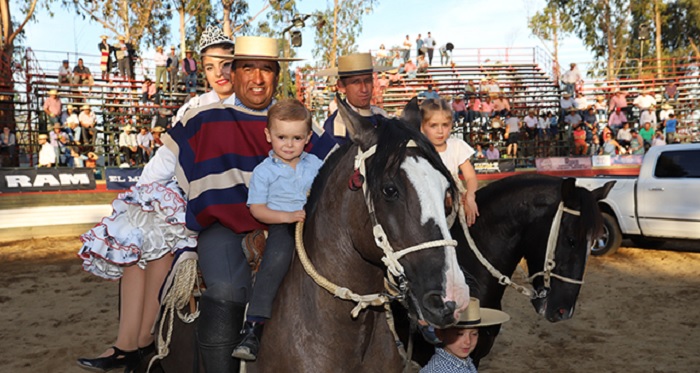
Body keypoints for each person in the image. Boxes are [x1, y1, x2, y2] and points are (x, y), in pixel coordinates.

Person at [231, 99, 323, 361]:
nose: (289, 144)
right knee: (276, 260)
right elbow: (257, 209)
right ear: (268, 135)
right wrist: (287, 216)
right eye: (281, 137)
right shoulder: (264, 172)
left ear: (307, 138)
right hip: (283, 226)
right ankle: (253, 326)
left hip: (313, 225)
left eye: (296, 137)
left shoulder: (316, 165)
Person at [420, 98, 479, 226]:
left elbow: (470, 177)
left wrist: (470, 196)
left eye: (445, 125)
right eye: (433, 125)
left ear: (451, 125)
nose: (440, 131)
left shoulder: (456, 146)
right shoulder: (420, 151)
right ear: (422, 127)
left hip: (456, 203)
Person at [420, 297, 510, 373]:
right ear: (439, 333)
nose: (468, 341)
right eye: (459, 334)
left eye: (474, 334)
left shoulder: (460, 361)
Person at [318, 53, 389, 147]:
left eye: (367, 81)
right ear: (341, 86)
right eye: (356, 82)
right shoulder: (337, 126)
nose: (364, 89)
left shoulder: (382, 116)